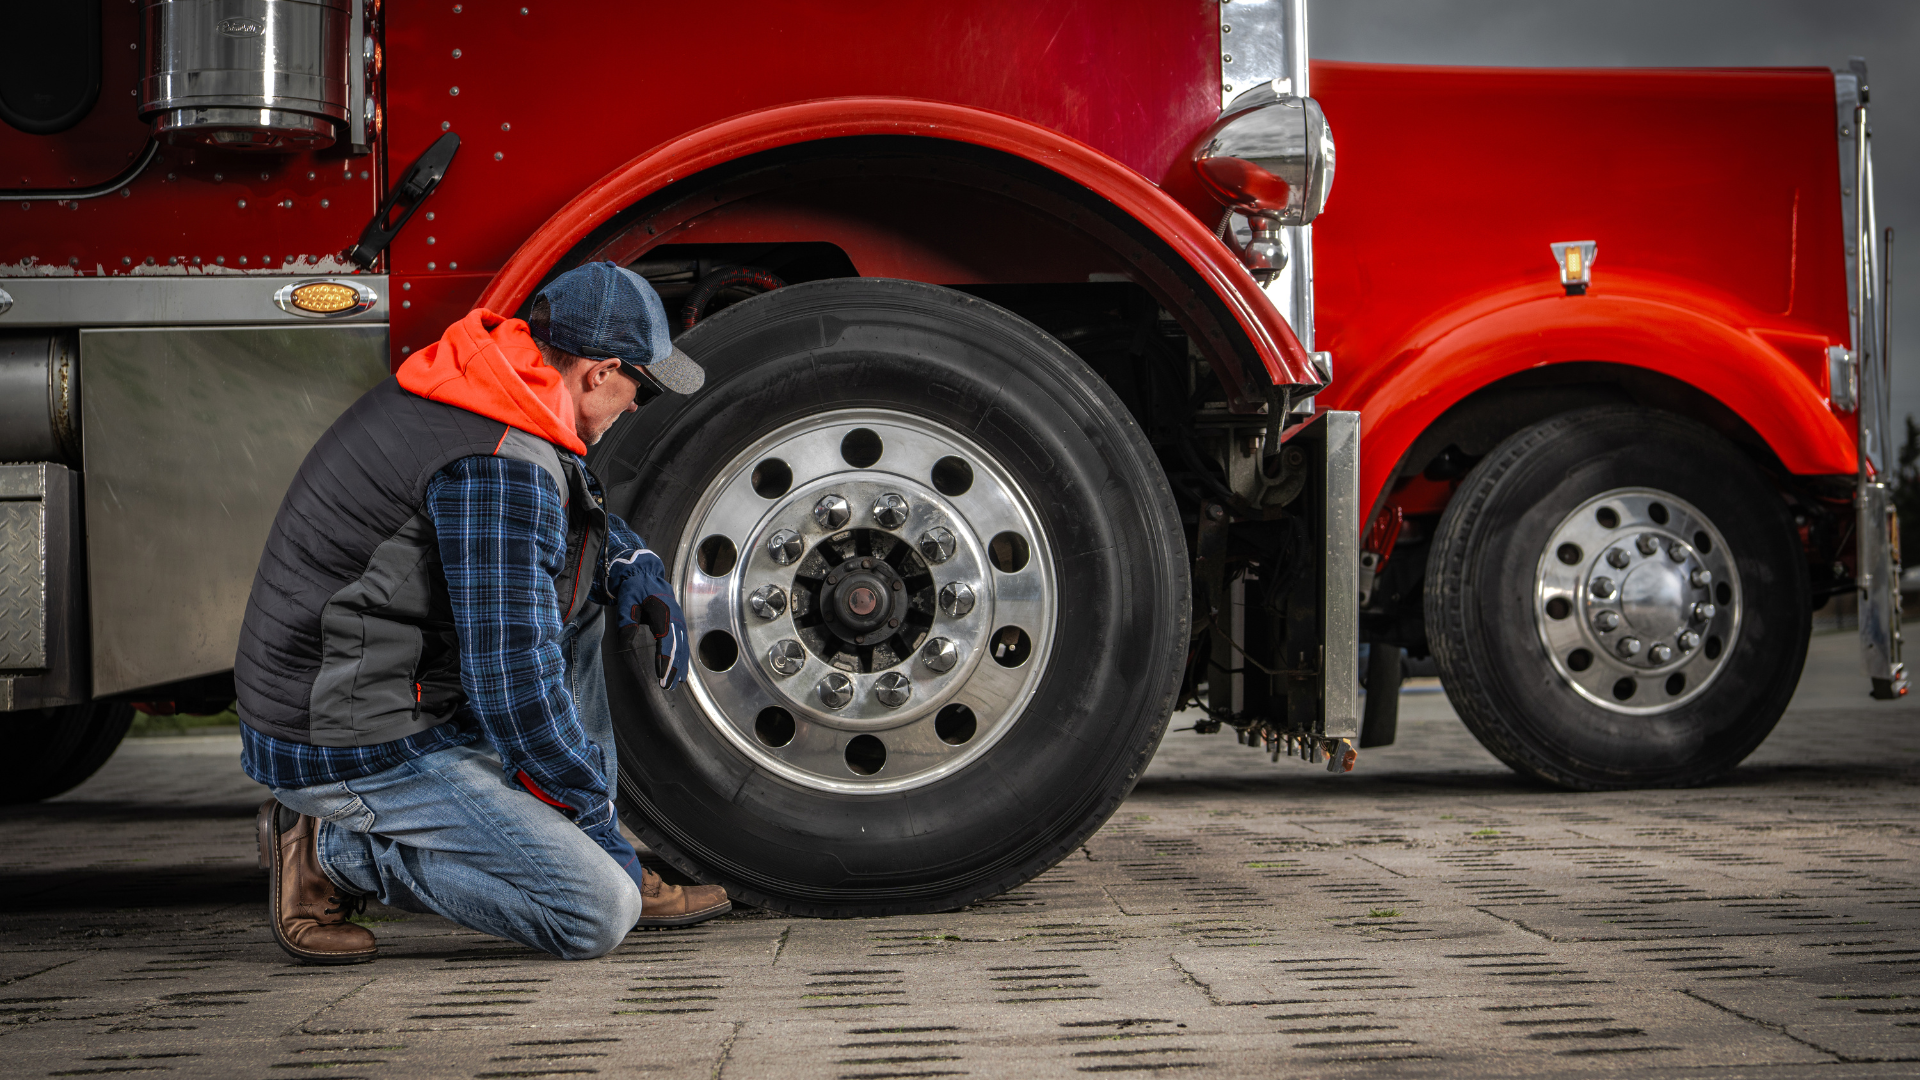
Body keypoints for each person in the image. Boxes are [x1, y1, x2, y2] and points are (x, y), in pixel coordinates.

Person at [235, 262, 730, 965]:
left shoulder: (491, 388)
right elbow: (512, 684)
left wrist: (626, 559)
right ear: (599, 372)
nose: (633, 407)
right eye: (639, 390)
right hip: (353, 742)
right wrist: (593, 820)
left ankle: (593, 850)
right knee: (595, 911)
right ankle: (334, 848)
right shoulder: (499, 462)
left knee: (586, 599)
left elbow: (548, 535)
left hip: (357, 696)